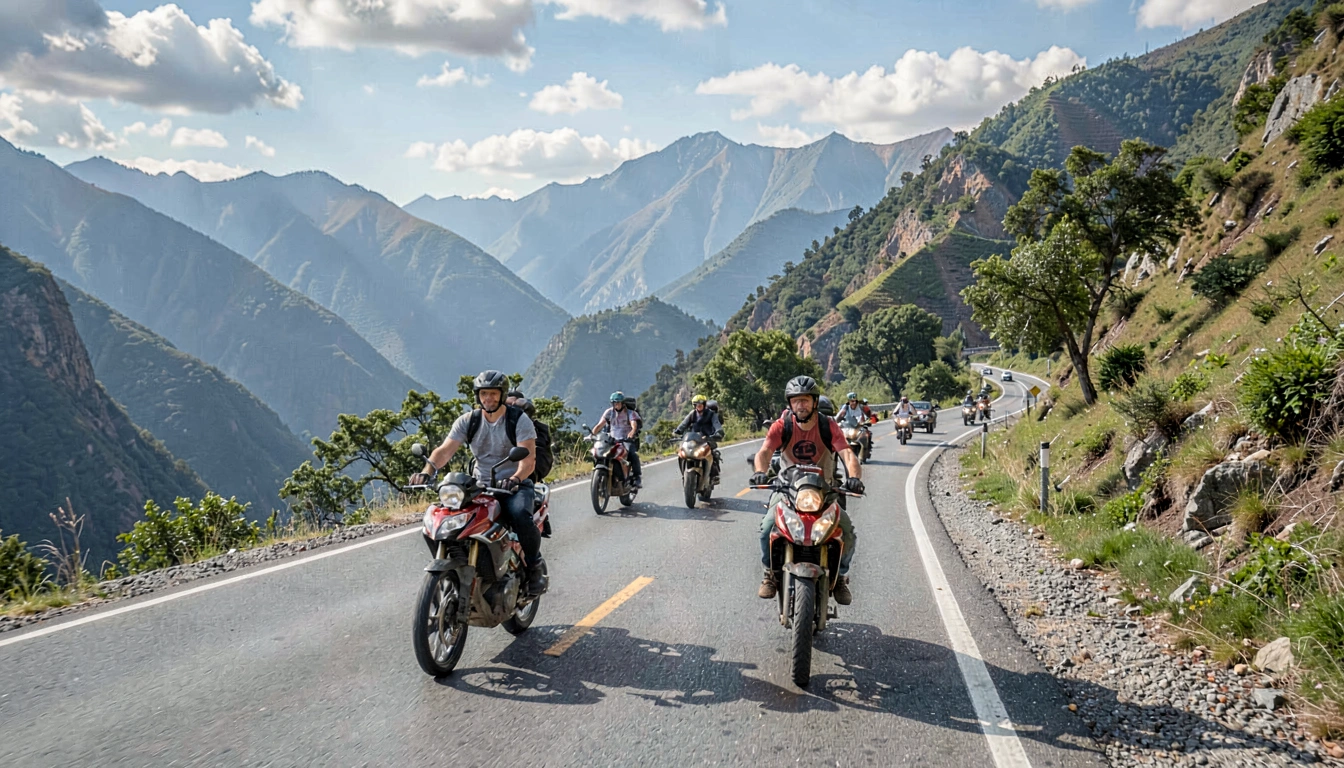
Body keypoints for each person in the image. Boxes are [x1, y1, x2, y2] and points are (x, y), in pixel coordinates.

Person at [410, 370, 546, 594]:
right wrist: (427, 471)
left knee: (521, 515)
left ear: (502, 395)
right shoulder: (469, 420)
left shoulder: (518, 420)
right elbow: (444, 451)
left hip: (514, 485)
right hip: (480, 485)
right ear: (477, 396)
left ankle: (534, 567)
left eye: (493, 394)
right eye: (484, 394)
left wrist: (515, 478)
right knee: (442, 517)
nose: (488, 399)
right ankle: (460, 563)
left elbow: (528, 460)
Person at [751, 376, 864, 605]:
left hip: (825, 491)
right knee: (766, 529)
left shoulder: (828, 425)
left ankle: (840, 577)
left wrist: (854, 477)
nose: (800, 405)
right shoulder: (782, 425)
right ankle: (769, 574)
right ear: (790, 404)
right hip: (787, 490)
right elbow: (764, 451)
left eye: (805, 400)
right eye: (796, 401)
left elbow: (847, 454)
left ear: (814, 402)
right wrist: (760, 471)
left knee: (848, 532)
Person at [592, 391, 642, 488]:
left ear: (623, 403)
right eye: (614, 403)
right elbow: (599, 425)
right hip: (612, 440)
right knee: (601, 452)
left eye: (618, 403)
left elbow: (633, 424)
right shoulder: (609, 412)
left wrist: (632, 432)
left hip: (626, 440)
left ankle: (637, 477)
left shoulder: (630, 413)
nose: (616, 405)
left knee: (632, 454)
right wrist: (592, 434)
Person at [673, 394, 724, 478]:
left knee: (713, 453)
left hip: (708, 438)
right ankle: (684, 474)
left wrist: (718, 432)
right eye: (696, 405)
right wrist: (677, 431)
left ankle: (714, 474)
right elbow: (684, 424)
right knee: (682, 453)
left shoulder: (711, 414)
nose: (699, 406)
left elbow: (716, 424)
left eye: (700, 404)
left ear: (704, 405)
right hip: (694, 439)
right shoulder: (692, 414)